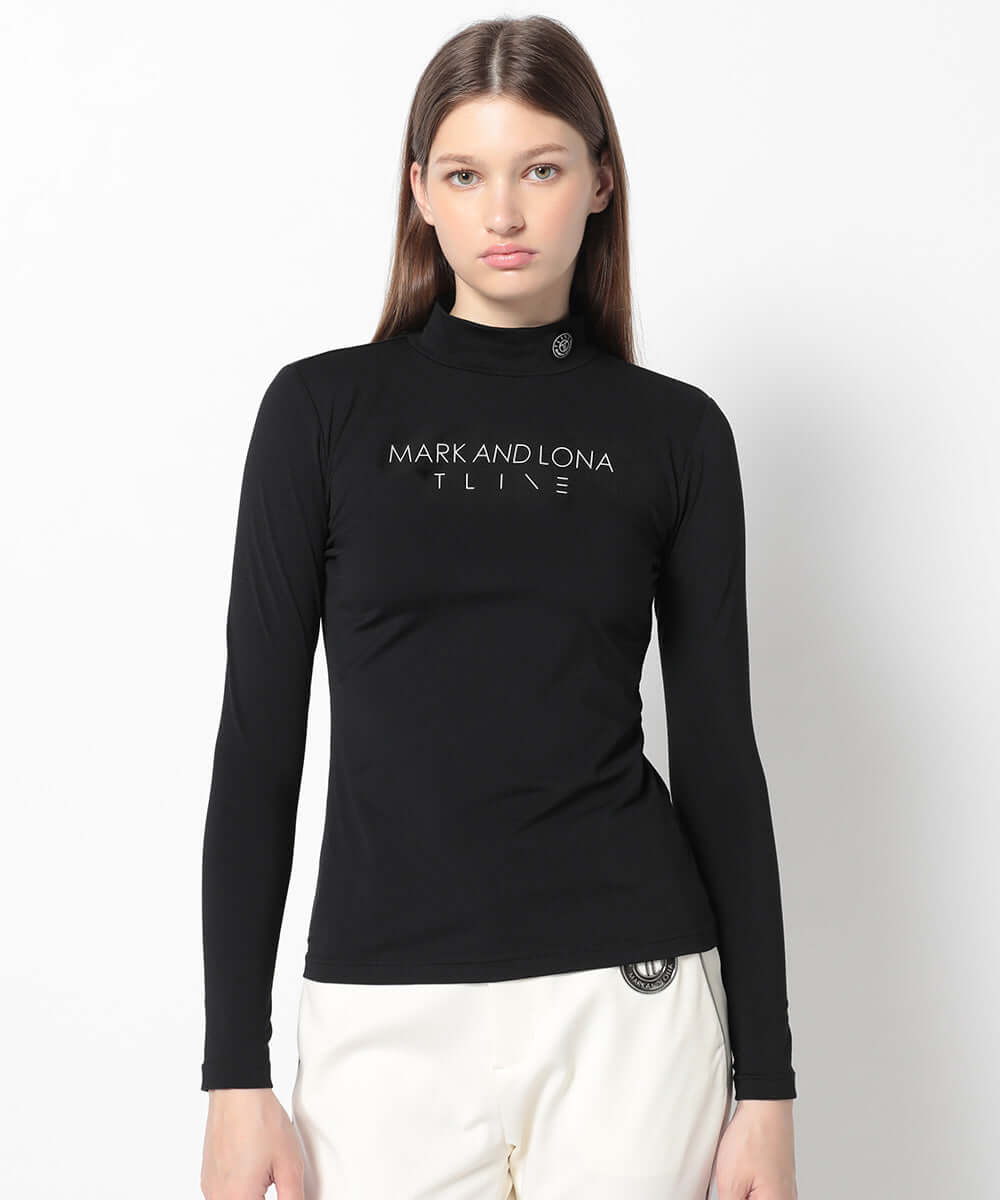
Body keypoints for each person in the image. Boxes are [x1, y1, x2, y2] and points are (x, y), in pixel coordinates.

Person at [200, 15, 799, 1200]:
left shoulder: (675, 434)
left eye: (541, 169)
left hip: (628, 1002)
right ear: (419, 191)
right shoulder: (319, 416)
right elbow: (257, 744)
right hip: (382, 1009)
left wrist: (768, 1087)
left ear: (600, 180)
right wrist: (233, 1071)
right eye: (467, 175)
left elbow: (720, 759)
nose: (505, 213)